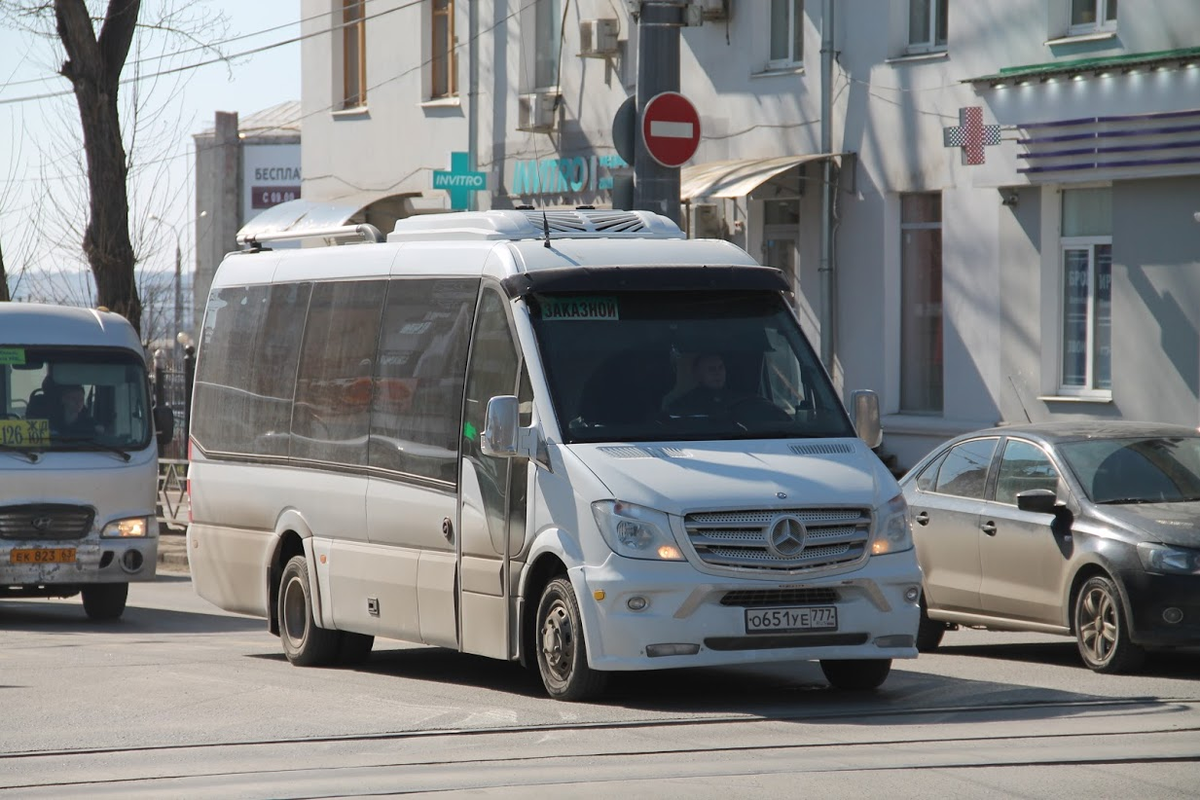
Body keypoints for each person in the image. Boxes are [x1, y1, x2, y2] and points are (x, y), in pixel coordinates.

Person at [668, 353, 736, 416]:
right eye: (711, 369)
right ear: (698, 374)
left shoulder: (738, 401)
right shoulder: (684, 405)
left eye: (720, 367)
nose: (717, 373)